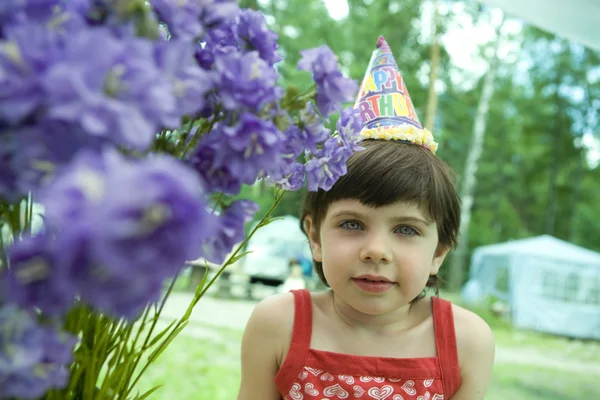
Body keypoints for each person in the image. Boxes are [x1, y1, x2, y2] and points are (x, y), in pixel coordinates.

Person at [237, 36, 495, 400]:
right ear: (314, 235)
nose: (377, 251)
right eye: (352, 224)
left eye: (406, 229)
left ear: (440, 251)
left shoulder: (466, 341)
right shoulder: (279, 325)